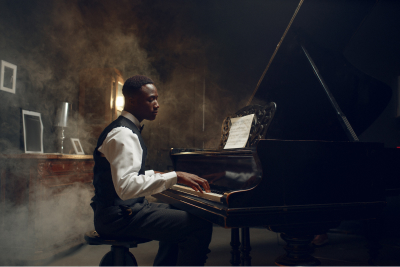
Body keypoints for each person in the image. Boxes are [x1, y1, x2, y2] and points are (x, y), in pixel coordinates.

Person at [90, 75, 213, 266]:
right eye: (150, 99)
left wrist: (160, 175)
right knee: (199, 225)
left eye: (156, 98)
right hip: (117, 218)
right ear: (132, 100)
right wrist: (176, 176)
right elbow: (126, 187)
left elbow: (125, 176)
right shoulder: (123, 133)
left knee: (177, 211)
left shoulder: (125, 129)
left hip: (120, 212)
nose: (157, 104)